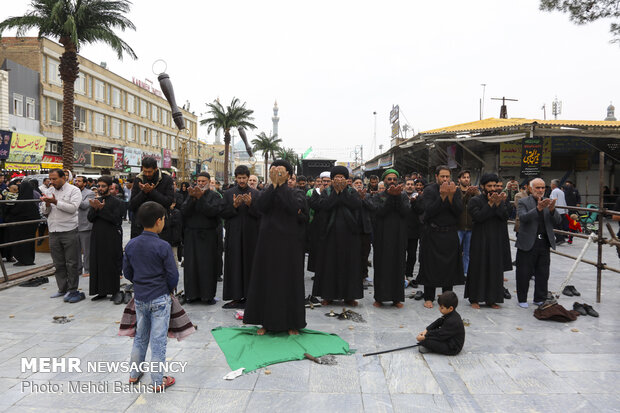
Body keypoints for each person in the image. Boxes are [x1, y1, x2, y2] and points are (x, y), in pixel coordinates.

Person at [243, 160, 307, 335]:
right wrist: (273, 187)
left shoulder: (297, 193)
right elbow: (259, 208)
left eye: (280, 170)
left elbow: (294, 209)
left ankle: (292, 322)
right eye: (273, 170)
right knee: (266, 280)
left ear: (288, 174)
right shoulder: (265, 192)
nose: (276, 173)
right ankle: (265, 322)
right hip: (267, 243)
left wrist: (281, 187)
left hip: (289, 244)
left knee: (289, 281)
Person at [123, 201, 179, 391]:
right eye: (163, 219)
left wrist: (139, 283)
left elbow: (127, 273)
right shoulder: (163, 246)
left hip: (140, 297)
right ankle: (157, 381)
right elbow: (173, 275)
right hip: (160, 298)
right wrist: (168, 289)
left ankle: (134, 374)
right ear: (158, 221)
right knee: (158, 340)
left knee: (140, 336)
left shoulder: (131, 244)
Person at [309, 166, 363, 306]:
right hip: (330, 235)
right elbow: (324, 206)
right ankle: (328, 295)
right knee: (329, 265)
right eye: (336, 177)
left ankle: (349, 296)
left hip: (350, 235)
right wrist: (336, 193)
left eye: (342, 177)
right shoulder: (326, 192)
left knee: (349, 265)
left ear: (347, 180)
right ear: (332, 180)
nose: (339, 179)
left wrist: (342, 193)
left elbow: (356, 205)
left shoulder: (352, 192)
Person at [418, 165, 464, 309]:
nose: (445, 179)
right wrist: (442, 197)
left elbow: (458, 211)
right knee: (430, 266)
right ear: (436, 176)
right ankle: (429, 297)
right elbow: (429, 211)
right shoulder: (429, 190)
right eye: (442, 176)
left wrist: (450, 197)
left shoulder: (455, 190)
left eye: (447, 177)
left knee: (449, 267)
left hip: (450, 233)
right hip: (432, 233)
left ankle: (447, 298)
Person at [465, 174, 510, 309]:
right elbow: (478, 217)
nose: (492, 189)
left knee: (494, 268)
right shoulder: (475, 201)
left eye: (494, 186)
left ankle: (492, 299)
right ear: (483, 187)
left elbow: (505, 216)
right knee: (478, 268)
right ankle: (474, 298)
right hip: (480, 239)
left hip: (496, 239)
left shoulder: (501, 200)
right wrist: (490, 204)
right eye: (489, 186)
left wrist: (498, 204)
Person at [515, 178, 562, 308]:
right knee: (524, 272)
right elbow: (523, 218)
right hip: (528, 242)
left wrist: (552, 210)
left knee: (543, 273)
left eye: (543, 188)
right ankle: (522, 298)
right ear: (531, 189)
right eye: (537, 188)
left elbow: (558, 221)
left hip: (544, 242)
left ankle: (540, 298)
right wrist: (538, 209)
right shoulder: (523, 201)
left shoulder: (548, 202)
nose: (540, 190)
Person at [40, 169, 83, 303]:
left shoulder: (74, 190)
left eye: (54, 179)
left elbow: (73, 208)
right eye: (50, 179)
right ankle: (62, 289)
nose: (52, 182)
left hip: (69, 230)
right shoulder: (48, 191)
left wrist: (55, 202)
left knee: (72, 262)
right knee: (58, 263)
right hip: (53, 231)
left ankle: (73, 289)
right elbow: (44, 212)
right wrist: (47, 204)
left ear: (63, 177)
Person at [221, 165, 260, 309]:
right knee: (235, 264)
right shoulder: (228, 193)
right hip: (234, 235)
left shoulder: (256, 194)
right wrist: (234, 206)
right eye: (239, 178)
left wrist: (251, 205)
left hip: (252, 235)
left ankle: (251, 296)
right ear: (235, 178)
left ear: (248, 178)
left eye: (244, 178)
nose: (242, 180)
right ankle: (236, 297)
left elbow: (261, 214)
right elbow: (223, 213)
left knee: (251, 264)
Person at [180, 172, 222, 304]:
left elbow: (212, 212)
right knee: (191, 266)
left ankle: (207, 296)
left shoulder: (214, 196)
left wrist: (201, 198)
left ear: (209, 182)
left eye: (204, 181)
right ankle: (191, 295)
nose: (201, 183)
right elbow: (184, 211)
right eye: (199, 181)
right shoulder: (190, 195)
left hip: (208, 235)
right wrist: (193, 199)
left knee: (207, 266)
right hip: (191, 235)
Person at [370, 169, 410, 308]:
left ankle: (397, 298)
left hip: (399, 237)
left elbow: (405, 211)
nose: (392, 181)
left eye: (394, 179)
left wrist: (396, 197)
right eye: (389, 179)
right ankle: (380, 298)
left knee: (398, 265)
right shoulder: (378, 196)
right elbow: (379, 212)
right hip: (382, 237)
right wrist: (390, 198)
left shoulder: (403, 196)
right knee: (381, 266)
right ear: (384, 181)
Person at [88, 176, 124, 303]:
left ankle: (114, 291)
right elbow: (90, 218)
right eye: (99, 186)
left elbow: (116, 220)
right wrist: (96, 209)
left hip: (111, 236)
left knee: (111, 263)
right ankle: (100, 291)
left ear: (109, 187)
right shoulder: (96, 200)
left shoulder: (117, 202)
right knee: (97, 262)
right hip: (97, 236)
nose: (100, 188)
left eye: (103, 186)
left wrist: (102, 210)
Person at [128, 157, 174, 239]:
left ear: (156, 169)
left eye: (150, 172)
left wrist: (152, 192)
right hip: (140, 227)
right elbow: (132, 205)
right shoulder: (139, 179)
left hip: (159, 228)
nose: (147, 174)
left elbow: (168, 202)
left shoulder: (166, 179)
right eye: (145, 171)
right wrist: (143, 192)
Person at [416, 291, 465, 355]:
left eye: (442, 308)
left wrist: (425, 336)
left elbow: (440, 334)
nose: (439, 309)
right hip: (447, 338)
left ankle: (428, 346)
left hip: (452, 348)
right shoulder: (451, 314)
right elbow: (439, 321)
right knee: (432, 332)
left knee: (425, 341)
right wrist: (427, 330)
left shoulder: (452, 321)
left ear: (450, 308)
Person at [4, 181, 40, 266]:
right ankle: (29, 259)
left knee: (21, 243)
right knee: (29, 243)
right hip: (30, 227)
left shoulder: (20, 201)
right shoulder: (31, 201)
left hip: (20, 228)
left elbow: (13, 212)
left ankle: (23, 260)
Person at [352, 176, 375, 287]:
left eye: (360, 182)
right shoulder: (350, 195)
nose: (359, 184)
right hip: (353, 229)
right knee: (354, 254)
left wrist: (363, 198)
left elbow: (372, 207)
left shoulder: (368, 195)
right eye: (356, 183)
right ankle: (355, 277)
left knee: (365, 254)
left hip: (366, 229)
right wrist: (356, 196)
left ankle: (364, 276)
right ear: (352, 185)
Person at [456, 170, 479, 276]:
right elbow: (459, 205)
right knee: (455, 251)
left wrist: (475, 194)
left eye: (468, 177)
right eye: (464, 177)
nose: (466, 179)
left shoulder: (474, 192)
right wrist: (467, 195)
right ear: (459, 179)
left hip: (470, 227)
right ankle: (455, 271)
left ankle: (466, 273)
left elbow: (479, 204)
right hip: (458, 227)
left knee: (468, 252)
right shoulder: (456, 191)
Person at [405, 178, 425, 286]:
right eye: (408, 184)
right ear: (404, 186)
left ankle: (409, 274)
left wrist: (414, 203)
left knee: (412, 254)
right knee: (401, 254)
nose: (409, 186)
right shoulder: (400, 196)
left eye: (411, 184)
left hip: (414, 231)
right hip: (402, 230)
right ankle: (401, 274)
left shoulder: (419, 197)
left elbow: (421, 210)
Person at [74, 176, 95, 277]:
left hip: (85, 225)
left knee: (87, 251)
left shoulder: (90, 193)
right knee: (75, 250)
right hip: (74, 225)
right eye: (76, 181)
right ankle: (78, 269)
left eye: (79, 181)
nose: (77, 183)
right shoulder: (73, 192)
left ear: (85, 183)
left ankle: (87, 269)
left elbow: (84, 205)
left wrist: (73, 199)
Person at [549, 179, 568, 245]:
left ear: (554, 185)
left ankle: (559, 239)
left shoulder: (554, 191)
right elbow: (564, 201)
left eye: (551, 183)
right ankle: (561, 238)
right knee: (559, 226)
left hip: (556, 211)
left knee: (555, 226)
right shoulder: (561, 191)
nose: (550, 185)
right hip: (562, 210)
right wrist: (566, 210)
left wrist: (551, 210)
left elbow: (554, 201)